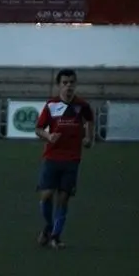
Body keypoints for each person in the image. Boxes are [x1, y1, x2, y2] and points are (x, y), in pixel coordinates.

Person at [34, 69, 94, 249]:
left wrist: (89, 137)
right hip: (52, 157)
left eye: (71, 83)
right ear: (59, 85)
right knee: (46, 196)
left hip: (72, 159)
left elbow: (89, 120)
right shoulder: (51, 105)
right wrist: (48, 136)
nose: (69, 86)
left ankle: (56, 237)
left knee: (64, 198)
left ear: (75, 84)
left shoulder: (82, 105)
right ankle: (48, 226)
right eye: (65, 83)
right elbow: (38, 129)